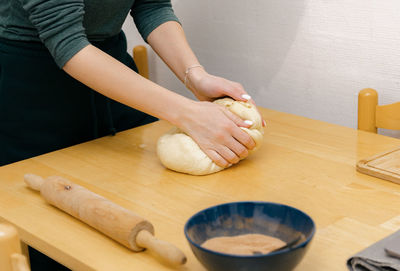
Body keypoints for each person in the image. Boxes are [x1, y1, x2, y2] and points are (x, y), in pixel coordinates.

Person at [0, 0, 263, 269]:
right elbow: (66, 39)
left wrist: (194, 75)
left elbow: (152, 5)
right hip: (32, 89)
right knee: (61, 241)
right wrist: (187, 113)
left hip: (115, 76)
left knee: (141, 222)